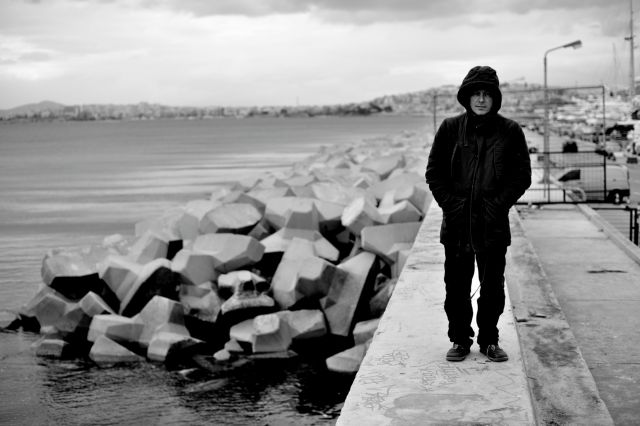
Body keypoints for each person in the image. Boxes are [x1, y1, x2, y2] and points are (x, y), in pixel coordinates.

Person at [425, 66, 531, 362]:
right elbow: (434, 173)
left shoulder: (510, 131)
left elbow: (521, 176)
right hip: (457, 225)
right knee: (456, 287)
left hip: (492, 225)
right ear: (467, 97)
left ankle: (489, 341)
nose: (481, 99)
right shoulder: (450, 128)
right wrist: (453, 206)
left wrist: (496, 206)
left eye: (487, 94)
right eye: (476, 94)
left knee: (493, 288)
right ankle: (460, 339)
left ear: (495, 98)